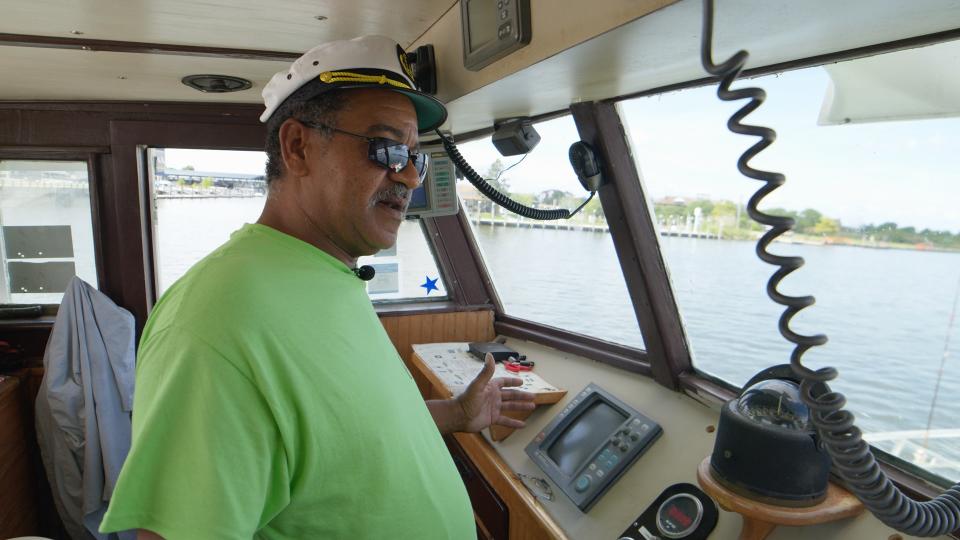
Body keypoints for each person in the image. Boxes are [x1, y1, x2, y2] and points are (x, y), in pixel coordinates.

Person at [100, 35, 536, 539]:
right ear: (298, 147)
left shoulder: (330, 275)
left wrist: (456, 413)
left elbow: (340, 431)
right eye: (389, 149)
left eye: (417, 156)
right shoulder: (216, 322)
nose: (412, 176)